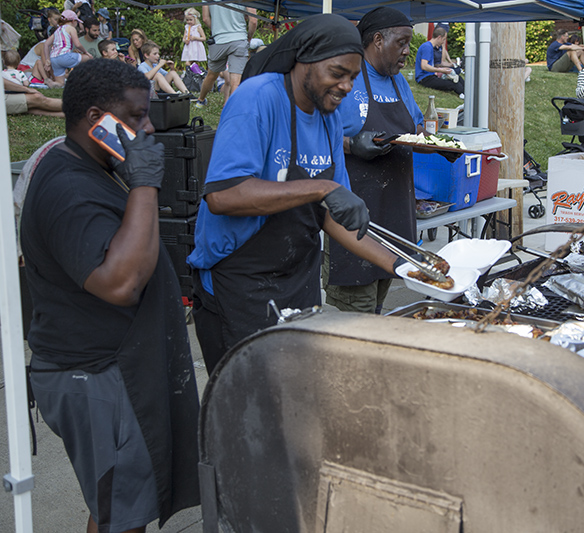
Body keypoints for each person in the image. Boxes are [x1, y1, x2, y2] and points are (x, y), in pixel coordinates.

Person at [20, 57, 200, 533]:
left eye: (148, 116)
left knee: (121, 508)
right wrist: (144, 183)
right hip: (94, 375)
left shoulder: (94, 168)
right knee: (121, 516)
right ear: (95, 118)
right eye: (135, 116)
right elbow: (120, 283)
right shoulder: (68, 186)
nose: (147, 129)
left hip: (117, 369)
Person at [188, 14, 401, 373]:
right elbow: (223, 196)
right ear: (304, 60)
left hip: (297, 279)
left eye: (352, 76)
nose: (347, 86)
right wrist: (322, 187)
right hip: (240, 283)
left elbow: (333, 215)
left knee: (294, 398)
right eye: (338, 73)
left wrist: (402, 267)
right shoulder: (257, 98)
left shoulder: (328, 115)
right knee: (246, 409)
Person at [325, 7, 425, 314]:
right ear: (378, 40)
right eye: (402, 42)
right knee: (356, 319)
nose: (408, 51)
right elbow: (312, 140)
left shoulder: (399, 83)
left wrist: (433, 144)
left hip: (395, 214)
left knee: (377, 309)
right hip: (354, 217)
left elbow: (419, 127)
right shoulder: (346, 80)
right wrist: (352, 145)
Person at [193, 3, 257, 108]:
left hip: (218, 40)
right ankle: (233, 108)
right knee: (236, 79)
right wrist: (249, 37)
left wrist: (217, 30)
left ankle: (200, 101)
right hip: (239, 38)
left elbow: (205, 18)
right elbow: (253, 21)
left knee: (211, 75)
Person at [44, 9, 93, 88]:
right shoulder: (71, 28)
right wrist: (86, 52)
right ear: (73, 21)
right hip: (64, 56)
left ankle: (52, 83)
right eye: (76, 22)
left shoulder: (57, 30)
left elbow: (46, 44)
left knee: (60, 83)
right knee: (88, 58)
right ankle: (87, 81)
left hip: (54, 59)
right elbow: (77, 44)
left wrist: (47, 59)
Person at [415, 26, 465, 97]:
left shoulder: (430, 47)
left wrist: (444, 69)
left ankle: (468, 93)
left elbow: (433, 65)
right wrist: (441, 70)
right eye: (443, 39)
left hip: (431, 75)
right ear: (439, 37)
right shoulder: (427, 47)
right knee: (453, 84)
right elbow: (424, 66)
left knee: (458, 78)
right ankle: (464, 96)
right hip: (424, 78)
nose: (443, 42)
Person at [181, 7, 207, 72]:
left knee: (189, 62)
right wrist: (185, 41)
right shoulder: (187, 28)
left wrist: (195, 38)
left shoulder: (198, 27)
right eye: (187, 20)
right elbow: (184, 38)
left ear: (195, 19)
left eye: (190, 20)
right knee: (191, 63)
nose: (189, 22)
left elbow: (204, 38)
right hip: (189, 47)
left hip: (195, 47)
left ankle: (195, 73)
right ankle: (195, 73)